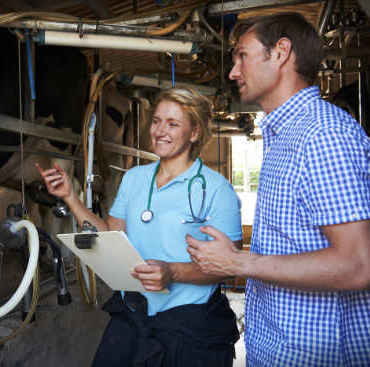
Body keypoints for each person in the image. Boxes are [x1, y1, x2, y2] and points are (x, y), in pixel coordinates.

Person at [186, 12, 370, 367]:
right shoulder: (285, 136)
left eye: (242, 56)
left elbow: (358, 264)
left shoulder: (323, 135)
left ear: (282, 52)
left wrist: (238, 261)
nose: (232, 72)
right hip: (279, 350)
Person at [37, 88, 243, 366]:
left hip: (188, 325)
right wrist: (70, 197)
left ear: (194, 133)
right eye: (156, 121)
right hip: (133, 314)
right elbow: (112, 236)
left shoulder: (218, 190)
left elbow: (230, 266)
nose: (159, 131)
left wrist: (173, 272)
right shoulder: (134, 178)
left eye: (173, 124)